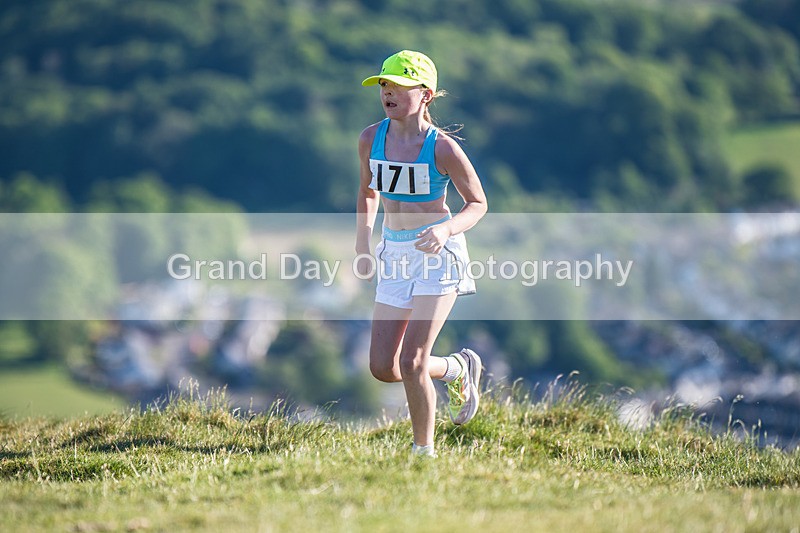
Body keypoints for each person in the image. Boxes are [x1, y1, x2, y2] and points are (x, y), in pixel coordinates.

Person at [356, 50, 488, 457]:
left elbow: (478, 203)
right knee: (384, 367)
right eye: (383, 84)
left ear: (426, 94)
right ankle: (454, 368)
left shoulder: (442, 148)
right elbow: (367, 191)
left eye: (399, 85)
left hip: (437, 254)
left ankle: (423, 454)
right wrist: (363, 242)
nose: (388, 92)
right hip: (394, 254)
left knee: (412, 361)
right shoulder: (370, 138)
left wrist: (445, 228)